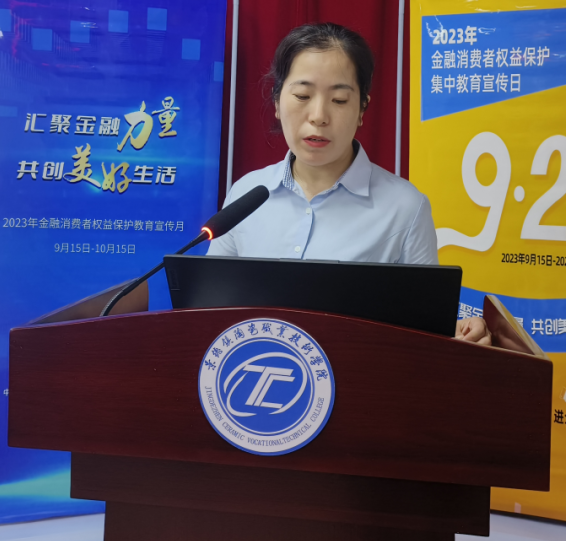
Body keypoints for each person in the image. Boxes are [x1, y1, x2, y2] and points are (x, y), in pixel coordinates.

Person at [208, 22, 491, 345]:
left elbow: (425, 333)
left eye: (340, 100)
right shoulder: (246, 194)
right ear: (276, 101)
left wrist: (456, 337)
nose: (318, 116)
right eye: (302, 95)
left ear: (361, 109)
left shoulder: (405, 208)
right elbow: (209, 312)